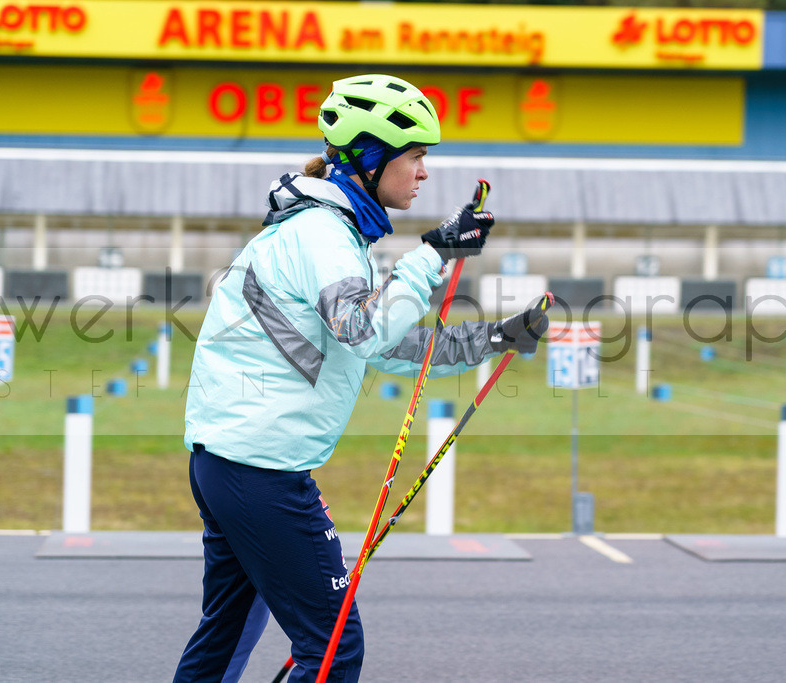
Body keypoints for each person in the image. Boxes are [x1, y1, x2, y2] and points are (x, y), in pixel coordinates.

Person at [174, 74, 549, 683]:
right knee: (332, 650)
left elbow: (392, 344)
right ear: (371, 159)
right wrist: (434, 254)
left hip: (232, 463)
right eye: (417, 155)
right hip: (261, 472)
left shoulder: (323, 230)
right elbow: (368, 330)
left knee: (224, 640)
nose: (424, 172)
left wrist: (498, 338)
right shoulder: (322, 234)